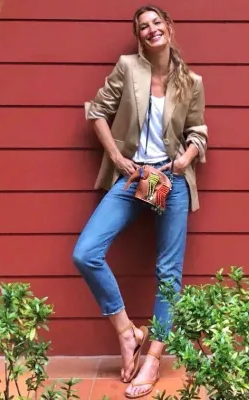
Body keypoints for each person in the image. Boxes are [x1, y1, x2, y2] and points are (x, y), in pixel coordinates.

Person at [72, 5, 208, 398]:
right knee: (85, 252)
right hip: (135, 178)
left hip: (172, 180)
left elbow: (198, 131)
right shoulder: (128, 67)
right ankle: (127, 331)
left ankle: (153, 358)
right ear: (139, 37)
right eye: (143, 26)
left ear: (169, 27)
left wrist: (184, 159)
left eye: (156, 23)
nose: (151, 30)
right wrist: (117, 158)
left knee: (169, 273)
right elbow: (97, 112)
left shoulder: (191, 81)